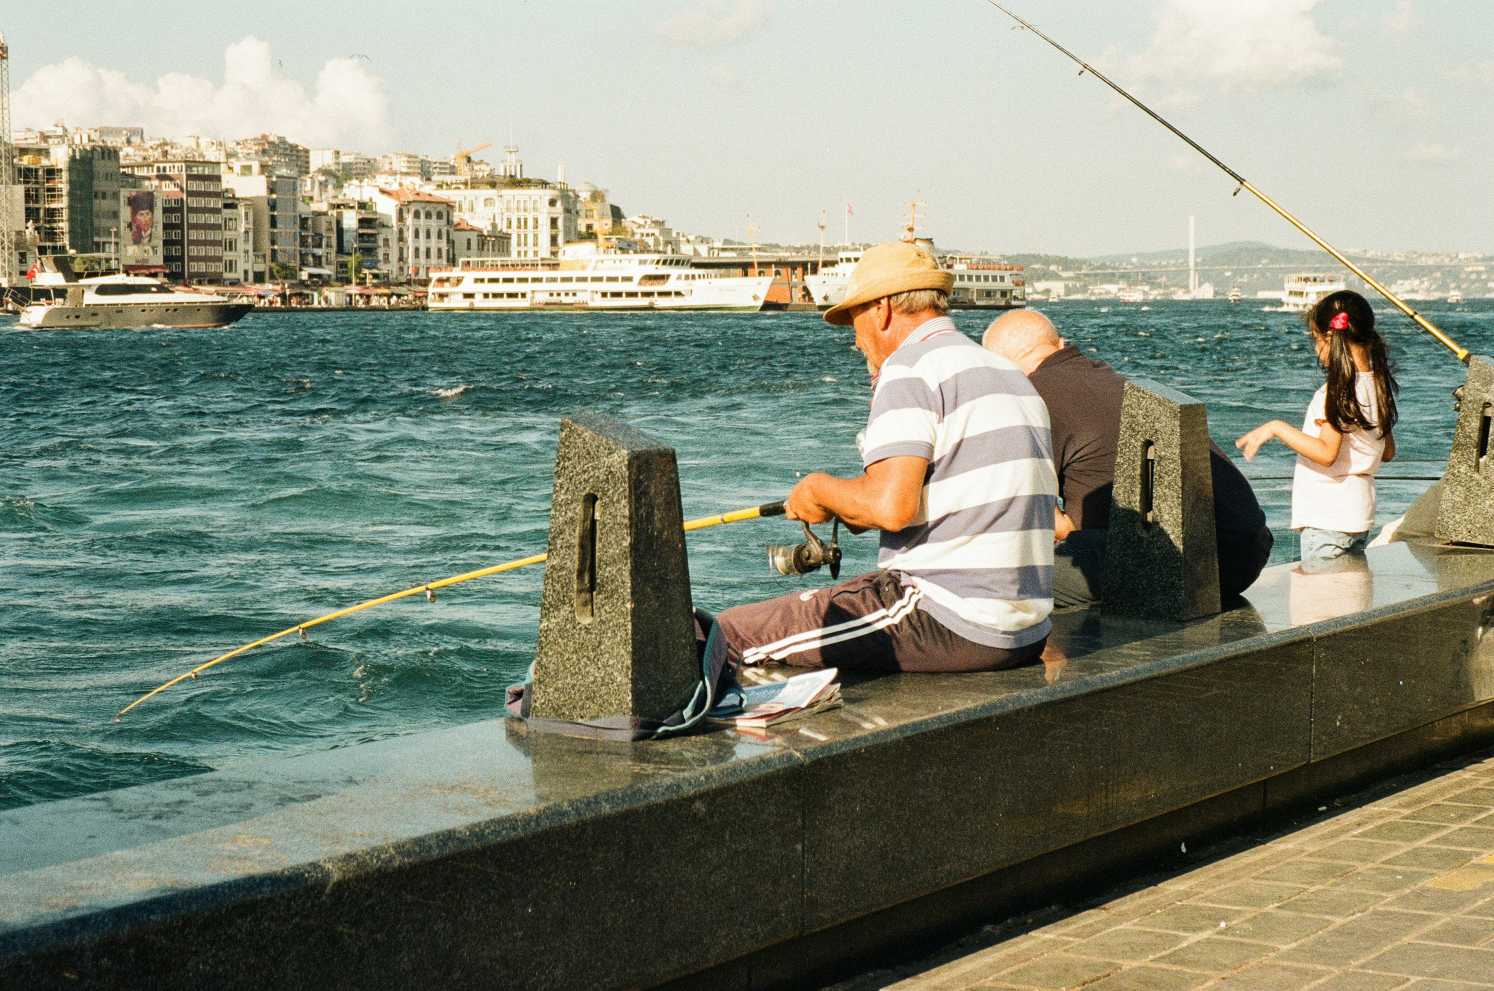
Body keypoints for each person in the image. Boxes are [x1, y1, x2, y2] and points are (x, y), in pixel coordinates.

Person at [698, 241, 1058, 677]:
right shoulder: (1007, 373)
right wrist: (845, 505)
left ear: (883, 309)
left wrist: (816, 488)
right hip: (1025, 629)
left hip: (949, 618)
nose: (854, 337)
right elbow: (944, 500)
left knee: (729, 635)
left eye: (854, 318)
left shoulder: (911, 368)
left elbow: (891, 507)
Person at [982, 310, 1273, 608]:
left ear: (997, 369)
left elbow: (1022, 506)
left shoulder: (1029, 398)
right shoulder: (1113, 381)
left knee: (986, 578)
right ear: (1061, 344)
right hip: (1244, 558)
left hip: (1169, 569)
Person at [1236, 289, 1398, 567]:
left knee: (1323, 605)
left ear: (1330, 338)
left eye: (1315, 339)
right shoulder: (1378, 385)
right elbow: (1387, 451)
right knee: (1347, 597)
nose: (1315, 349)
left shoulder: (1337, 391)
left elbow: (1326, 453)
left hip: (1328, 519)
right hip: (1358, 514)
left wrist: (1276, 428)